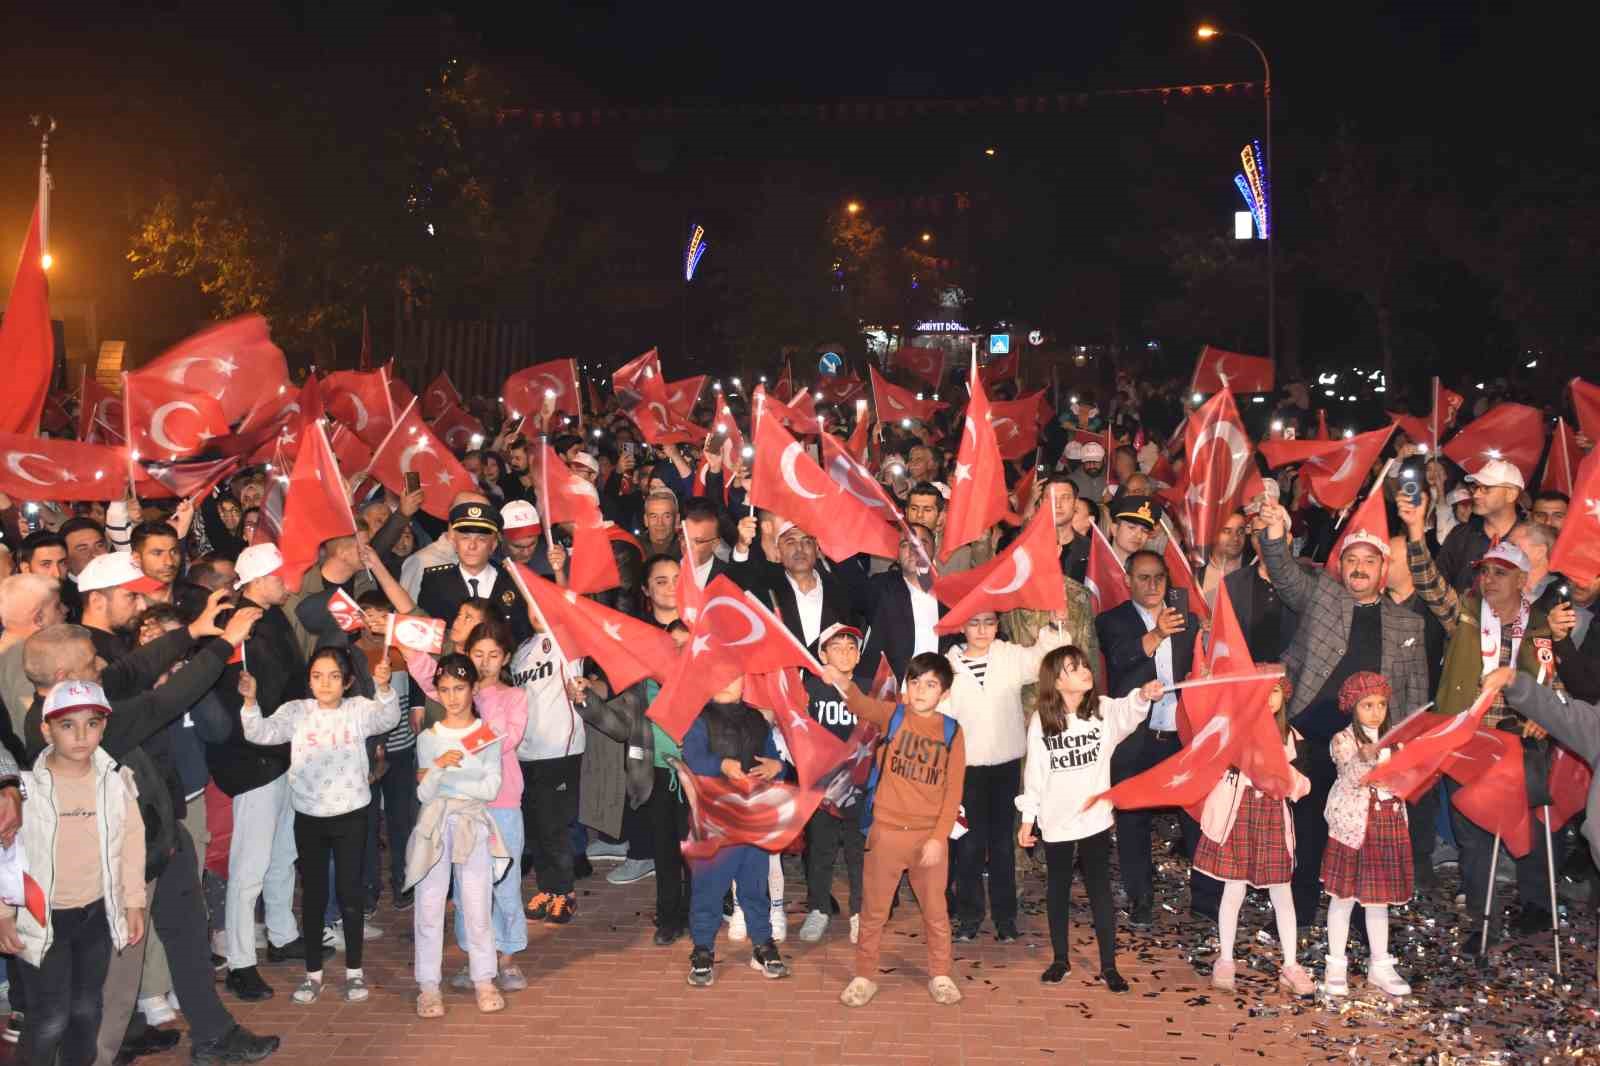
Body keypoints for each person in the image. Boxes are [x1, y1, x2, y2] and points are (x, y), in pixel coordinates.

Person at [1257, 498, 1429, 926]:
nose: (1359, 568)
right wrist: (1276, 534)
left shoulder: (1409, 625)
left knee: (1363, 830)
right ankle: (1299, 909)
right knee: (1310, 824)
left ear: (1382, 570)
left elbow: (1414, 691)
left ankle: (1355, 913)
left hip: (1370, 746)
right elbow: (1284, 574)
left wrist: (1403, 747)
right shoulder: (1324, 596)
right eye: (1351, 559)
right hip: (1313, 732)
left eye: (1369, 561)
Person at [1398, 514, 1567, 949]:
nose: (1489, 579)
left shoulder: (1540, 625)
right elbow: (1430, 584)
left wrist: (1545, 715)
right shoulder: (1466, 615)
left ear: (1521, 580)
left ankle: (1536, 908)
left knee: (1531, 824)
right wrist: (1416, 533)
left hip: (1519, 741)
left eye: (1499, 572)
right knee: (1472, 833)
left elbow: (1553, 681)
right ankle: (1482, 919)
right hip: (1469, 739)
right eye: (1485, 571)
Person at [238, 647, 401, 1004]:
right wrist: (250, 702)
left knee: (350, 894)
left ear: (347, 682)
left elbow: (388, 718)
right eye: (317, 676)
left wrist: (385, 687)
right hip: (309, 817)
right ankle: (313, 975)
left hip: (352, 815)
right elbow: (260, 733)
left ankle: (354, 973)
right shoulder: (297, 711)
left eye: (333, 676)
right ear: (308, 679)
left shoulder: (358, 709)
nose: (324, 683)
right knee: (312, 897)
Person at [0, 680, 146, 1066]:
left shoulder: (117, 782)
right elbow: (5, 854)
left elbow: (132, 845)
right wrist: (3, 914)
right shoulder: (24, 791)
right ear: (46, 729)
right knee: (49, 1017)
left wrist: (133, 903)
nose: (82, 735)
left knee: (85, 1011)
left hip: (96, 915)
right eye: (67, 725)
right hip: (42, 919)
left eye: (92, 723)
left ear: (104, 726)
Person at [1016, 646, 1161, 991]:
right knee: (1058, 889)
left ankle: (1109, 966)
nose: (1084, 670)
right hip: (1056, 821)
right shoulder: (1042, 721)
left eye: (1084, 664)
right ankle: (1060, 959)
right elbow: (1034, 773)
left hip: (1095, 819)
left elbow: (1130, 711)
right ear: (1057, 681)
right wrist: (1027, 818)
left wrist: (1143, 695)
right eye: (1073, 668)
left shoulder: (1103, 711)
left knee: (1100, 890)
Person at [827, 653, 966, 1008]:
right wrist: (842, 682)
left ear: (944, 693)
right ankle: (864, 976)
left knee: (935, 912)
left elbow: (953, 792)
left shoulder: (952, 731)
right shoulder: (894, 716)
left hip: (928, 839)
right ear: (906, 688)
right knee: (873, 912)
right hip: (886, 831)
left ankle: (940, 973)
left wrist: (939, 838)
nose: (921, 690)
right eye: (915, 682)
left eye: (931, 684)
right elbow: (861, 704)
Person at [210, 543, 314, 1003]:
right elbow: (250, 694)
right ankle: (239, 961)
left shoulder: (268, 620)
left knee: (282, 851)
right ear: (256, 580)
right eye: (279, 575)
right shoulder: (243, 625)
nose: (286, 582)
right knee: (248, 864)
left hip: (281, 751)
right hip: (254, 758)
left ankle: (282, 932)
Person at [405, 621, 530, 987]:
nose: (487, 662)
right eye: (478, 655)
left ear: (505, 658)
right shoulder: (458, 697)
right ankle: (476, 955)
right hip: (457, 808)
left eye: (494, 655)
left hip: (502, 802)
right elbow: (433, 675)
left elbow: (505, 740)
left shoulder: (512, 698)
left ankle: (506, 955)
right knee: (464, 890)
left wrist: (467, 741)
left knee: (504, 881)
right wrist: (409, 646)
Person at [946, 607, 1072, 942]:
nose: (982, 630)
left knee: (1003, 843)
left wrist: (1055, 624)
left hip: (1005, 765)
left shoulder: (1008, 656)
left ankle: (1005, 918)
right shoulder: (948, 665)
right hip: (966, 768)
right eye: (974, 622)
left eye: (988, 622)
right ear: (961, 626)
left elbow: (1046, 658)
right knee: (969, 844)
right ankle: (969, 915)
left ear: (997, 625)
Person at [1095, 549, 1201, 927]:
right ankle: (1140, 897)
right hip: (1136, 736)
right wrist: (1156, 633)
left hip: (1181, 734)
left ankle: (1205, 898)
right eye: (1143, 577)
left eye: (1159, 577)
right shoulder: (1112, 620)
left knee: (1194, 813)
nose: (1153, 585)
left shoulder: (1189, 619)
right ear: (1127, 580)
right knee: (1132, 818)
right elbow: (1121, 658)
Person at [1194, 675, 1314, 996]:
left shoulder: (1293, 738)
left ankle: (1290, 964)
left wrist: (1279, 770)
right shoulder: (1235, 730)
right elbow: (1214, 763)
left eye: (1274, 692)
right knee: (1233, 890)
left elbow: (1303, 785)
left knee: (1282, 892)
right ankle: (1226, 959)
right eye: (1261, 692)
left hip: (1273, 817)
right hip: (1239, 816)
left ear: (1283, 696)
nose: (1268, 699)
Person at [679, 677, 792, 987]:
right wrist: (721, 764)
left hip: (751, 814)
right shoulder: (699, 718)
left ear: (745, 682)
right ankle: (703, 948)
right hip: (714, 816)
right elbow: (693, 758)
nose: (726, 683)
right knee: (709, 887)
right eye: (718, 675)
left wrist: (775, 766)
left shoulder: (756, 718)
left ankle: (762, 943)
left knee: (754, 883)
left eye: (733, 677)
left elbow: (771, 755)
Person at [1320, 673, 1413, 998]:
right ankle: (1335, 964)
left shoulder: (1396, 741)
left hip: (1387, 823)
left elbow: (1407, 778)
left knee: (1378, 900)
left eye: (1382, 705)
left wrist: (1403, 772)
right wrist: (1369, 757)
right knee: (1342, 897)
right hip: (1353, 828)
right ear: (1352, 706)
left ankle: (1380, 964)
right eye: (1367, 705)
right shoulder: (1344, 740)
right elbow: (1349, 772)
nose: (1376, 712)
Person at [799, 624, 869, 944]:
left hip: (860, 785)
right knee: (820, 849)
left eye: (850, 647)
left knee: (859, 851)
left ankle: (859, 911)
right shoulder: (811, 690)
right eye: (836, 647)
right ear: (822, 654)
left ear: (858, 655)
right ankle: (818, 908)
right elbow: (796, 731)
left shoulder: (869, 688)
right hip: (823, 786)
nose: (844, 652)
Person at [417, 502, 532, 643]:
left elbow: (523, 637)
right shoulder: (435, 582)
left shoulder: (514, 582)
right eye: (465, 538)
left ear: (493, 545)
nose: (472, 546)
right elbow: (426, 635)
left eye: (481, 539)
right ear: (454, 542)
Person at [1434, 459, 1523, 590]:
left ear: (1511, 494)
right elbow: (1438, 584)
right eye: (1475, 487)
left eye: (1486, 488)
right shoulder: (1460, 535)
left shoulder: (1530, 539)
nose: (1476, 494)